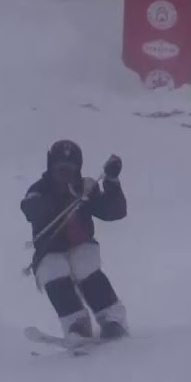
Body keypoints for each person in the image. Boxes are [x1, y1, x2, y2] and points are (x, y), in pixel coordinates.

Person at [20, 139, 128, 340]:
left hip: (81, 245)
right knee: (53, 269)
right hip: (49, 251)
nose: (65, 175)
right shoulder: (41, 188)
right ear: (50, 166)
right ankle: (76, 324)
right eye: (60, 169)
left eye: (70, 169)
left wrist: (111, 181)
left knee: (84, 264)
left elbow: (114, 212)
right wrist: (54, 200)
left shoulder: (85, 188)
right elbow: (29, 208)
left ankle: (112, 319)